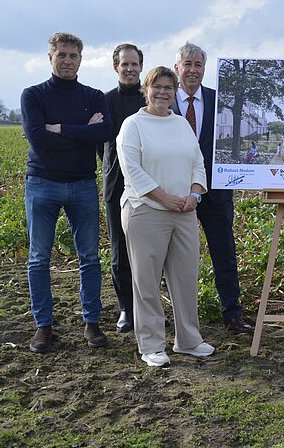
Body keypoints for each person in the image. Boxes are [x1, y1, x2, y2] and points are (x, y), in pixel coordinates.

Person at [21, 32, 112, 353]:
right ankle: (43, 327)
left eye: (73, 56)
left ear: (81, 60)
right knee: (38, 258)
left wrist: (58, 128)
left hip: (83, 184)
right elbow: (38, 139)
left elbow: (104, 131)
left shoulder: (94, 96)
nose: (67, 61)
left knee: (90, 257)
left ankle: (92, 323)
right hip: (41, 184)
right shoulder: (33, 95)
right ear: (50, 58)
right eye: (61, 55)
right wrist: (84, 132)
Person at [117, 66, 213, 367]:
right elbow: (132, 170)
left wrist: (194, 195)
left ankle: (188, 340)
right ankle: (151, 345)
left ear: (175, 92)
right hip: (146, 211)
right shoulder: (133, 125)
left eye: (168, 88)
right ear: (146, 90)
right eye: (156, 87)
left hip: (184, 212)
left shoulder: (181, 124)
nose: (162, 92)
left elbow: (197, 163)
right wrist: (164, 198)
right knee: (146, 281)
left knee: (185, 278)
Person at [170, 42, 254, 334]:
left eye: (198, 65)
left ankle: (232, 313)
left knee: (224, 253)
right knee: (175, 256)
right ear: (177, 68)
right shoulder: (163, 100)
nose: (193, 70)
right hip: (175, 192)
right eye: (187, 64)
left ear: (205, 69)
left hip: (216, 192)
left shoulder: (220, 100)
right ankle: (180, 317)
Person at [99, 43, 146, 333]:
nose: (130, 69)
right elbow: (100, 144)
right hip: (116, 184)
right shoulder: (104, 101)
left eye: (134, 64)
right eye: (124, 64)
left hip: (150, 184)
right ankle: (126, 309)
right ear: (115, 67)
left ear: (141, 67)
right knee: (120, 250)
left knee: (148, 251)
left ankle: (148, 308)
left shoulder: (151, 97)